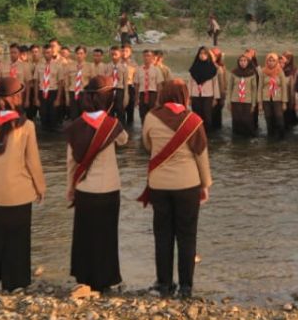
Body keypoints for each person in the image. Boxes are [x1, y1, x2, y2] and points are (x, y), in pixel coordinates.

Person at [140, 80, 211, 298]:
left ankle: (164, 283)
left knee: (163, 235)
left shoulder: (151, 117)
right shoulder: (193, 120)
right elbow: (201, 155)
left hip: (159, 184)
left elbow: (147, 144)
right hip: (187, 184)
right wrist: (205, 184)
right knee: (187, 236)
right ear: (184, 96)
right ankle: (186, 286)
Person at [0, 77, 45, 292]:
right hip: (20, 191)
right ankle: (17, 280)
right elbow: (33, 162)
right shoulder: (26, 126)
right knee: (19, 238)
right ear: (16, 98)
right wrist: (40, 187)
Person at [66, 77, 128, 294]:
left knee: (85, 234)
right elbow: (124, 140)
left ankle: (84, 276)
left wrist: (70, 189)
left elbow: (71, 162)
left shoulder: (75, 126)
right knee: (106, 234)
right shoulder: (112, 125)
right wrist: (110, 116)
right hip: (109, 187)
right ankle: (106, 278)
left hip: (84, 188)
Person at [260, 52, 291, 140]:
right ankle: (270, 137)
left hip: (278, 99)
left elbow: (284, 88)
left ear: (276, 61)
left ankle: (281, 138)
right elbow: (260, 88)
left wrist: (284, 102)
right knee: (268, 119)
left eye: (273, 60)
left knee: (279, 119)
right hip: (266, 99)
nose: (271, 62)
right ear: (266, 61)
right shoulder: (263, 71)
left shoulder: (280, 71)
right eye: (269, 60)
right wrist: (260, 103)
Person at [227, 54, 260, 137]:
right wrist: (228, 102)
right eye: (241, 61)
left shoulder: (252, 73)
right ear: (238, 62)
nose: (242, 63)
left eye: (244, 61)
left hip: (247, 101)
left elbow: (254, 90)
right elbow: (229, 88)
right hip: (235, 100)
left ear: (248, 62)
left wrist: (253, 104)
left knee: (247, 121)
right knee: (237, 120)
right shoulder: (234, 72)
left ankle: (249, 138)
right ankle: (237, 138)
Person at [188, 47, 219, 127]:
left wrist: (215, 98)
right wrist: (189, 97)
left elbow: (215, 84)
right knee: (196, 116)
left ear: (208, 55)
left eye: (205, 53)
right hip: (195, 95)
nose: (202, 55)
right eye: (201, 53)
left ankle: (207, 135)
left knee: (207, 116)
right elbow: (190, 83)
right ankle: (197, 133)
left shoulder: (212, 68)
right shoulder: (193, 68)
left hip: (208, 95)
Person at [135, 50, 165, 124]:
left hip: (152, 94)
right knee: (142, 114)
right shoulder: (138, 70)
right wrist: (136, 99)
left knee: (152, 114)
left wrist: (158, 100)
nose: (146, 58)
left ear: (152, 58)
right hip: (142, 94)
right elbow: (137, 85)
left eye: (148, 56)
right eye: (145, 56)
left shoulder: (156, 70)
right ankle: (143, 131)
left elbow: (159, 86)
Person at [37, 41, 61, 132]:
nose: (47, 55)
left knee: (53, 112)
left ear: (52, 53)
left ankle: (53, 130)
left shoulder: (58, 65)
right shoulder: (39, 65)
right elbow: (36, 82)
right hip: (42, 91)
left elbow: (60, 83)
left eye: (48, 52)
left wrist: (58, 98)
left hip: (53, 91)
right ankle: (44, 129)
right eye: (45, 53)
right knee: (43, 112)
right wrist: (36, 97)